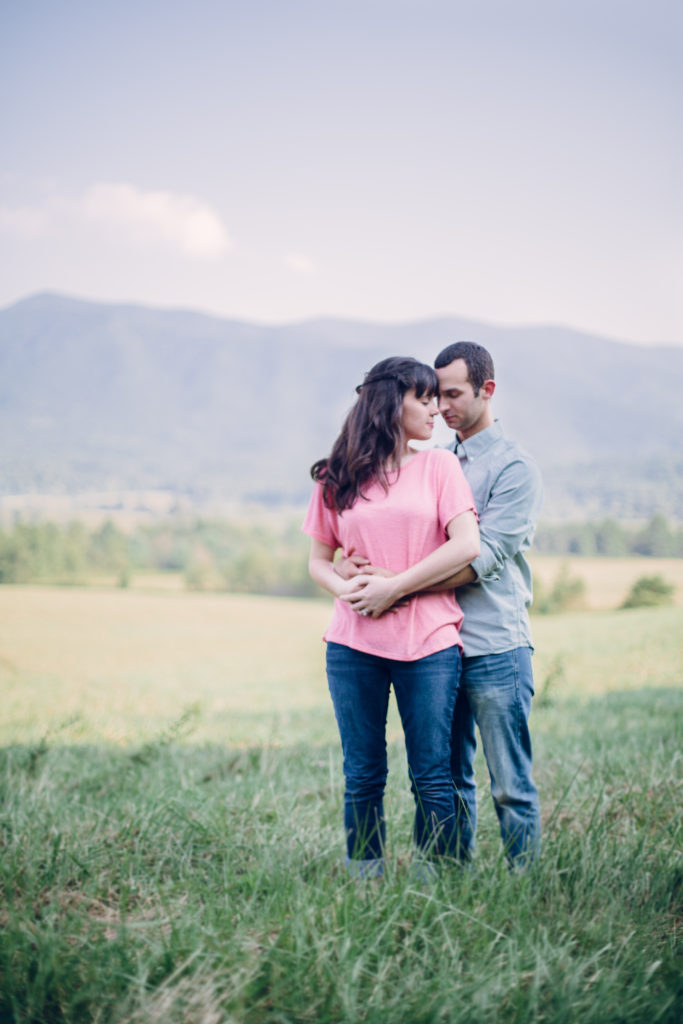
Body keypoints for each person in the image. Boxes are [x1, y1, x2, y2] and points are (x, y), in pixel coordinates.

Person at [340, 342, 543, 870]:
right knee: (446, 777)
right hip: (436, 647)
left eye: (452, 394)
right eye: (434, 395)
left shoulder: (515, 468)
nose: (441, 406)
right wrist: (354, 568)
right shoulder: (430, 461)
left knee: (510, 786)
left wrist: (396, 586)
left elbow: (484, 558)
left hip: (495, 643)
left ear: (486, 391)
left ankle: (527, 890)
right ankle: (451, 882)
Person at [303, 356, 480, 879]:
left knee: (431, 772)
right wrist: (351, 589)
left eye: (437, 398)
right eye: (422, 398)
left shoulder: (439, 466)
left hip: (428, 643)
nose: (435, 408)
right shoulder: (337, 476)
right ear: (389, 403)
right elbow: (318, 562)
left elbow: (467, 544)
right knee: (362, 772)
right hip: (352, 645)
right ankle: (365, 877)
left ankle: (438, 880)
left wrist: (393, 587)